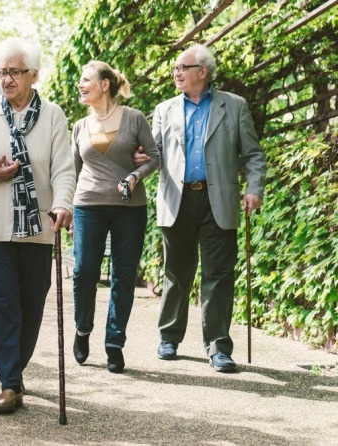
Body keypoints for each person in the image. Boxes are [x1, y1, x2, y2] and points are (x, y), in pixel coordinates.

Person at [0, 37, 75, 414]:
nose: (6, 79)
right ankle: (9, 382)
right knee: (3, 302)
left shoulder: (54, 115)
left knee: (31, 303)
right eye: (2, 72)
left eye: (15, 72)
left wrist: (62, 205)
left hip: (39, 226)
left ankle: (16, 369)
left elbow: (63, 169)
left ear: (34, 75)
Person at [152, 43, 266, 373]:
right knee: (176, 272)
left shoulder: (234, 106)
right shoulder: (165, 109)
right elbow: (152, 154)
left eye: (182, 68)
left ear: (202, 71)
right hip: (178, 198)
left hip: (219, 199)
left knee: (218, 275)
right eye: (175, 68)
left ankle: (218, 346)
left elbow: (254, 156)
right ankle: (169, 337)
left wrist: (254, 189)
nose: (176, 73)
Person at [70, 61, 160, 374]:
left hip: (129, 207)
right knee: (84, 271)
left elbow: (155, 157)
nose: (80, 85)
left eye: (85, 79)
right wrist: (68, 208)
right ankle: (83, 330)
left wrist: (136, 175)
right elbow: (74, 171)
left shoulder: (134, 118)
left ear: (104, 84)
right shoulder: (80, 127)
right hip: (88, 205)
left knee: (123, 275)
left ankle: (114, 342)